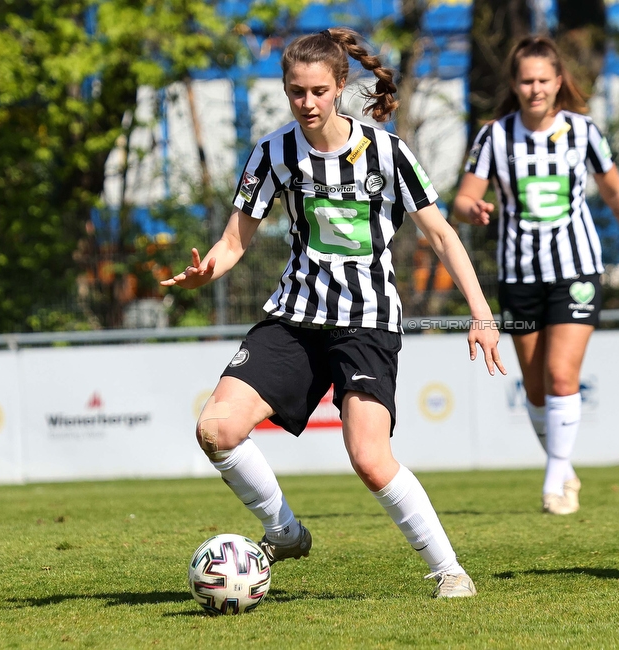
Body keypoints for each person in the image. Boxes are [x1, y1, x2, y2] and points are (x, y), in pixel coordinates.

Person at [161, 28, 505, 598]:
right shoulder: (272, 152)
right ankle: (284, 532)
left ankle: (449, 570)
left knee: (370, 458)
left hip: (366, 320)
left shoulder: (388, 152)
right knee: (215, 429)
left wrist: (481, 313)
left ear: (341, 86)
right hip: (295, 316)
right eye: (297, 92)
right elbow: (234, 241)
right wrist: (208, 270)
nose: (308, 103)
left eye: (319, 91)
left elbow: (442, 236)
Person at [454, 36, 619, 515]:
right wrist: (472, 209)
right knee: (537, 386)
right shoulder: (494, 137)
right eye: (526, 80)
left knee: (562, 375)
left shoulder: (583, 132)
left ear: (559, 81)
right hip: (518, 274)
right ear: (514, 84)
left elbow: (616, 194)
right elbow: (461, 200)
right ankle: (563, 468)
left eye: (544, 79)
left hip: (576, 270)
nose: (535, 89)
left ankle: (553, 484)